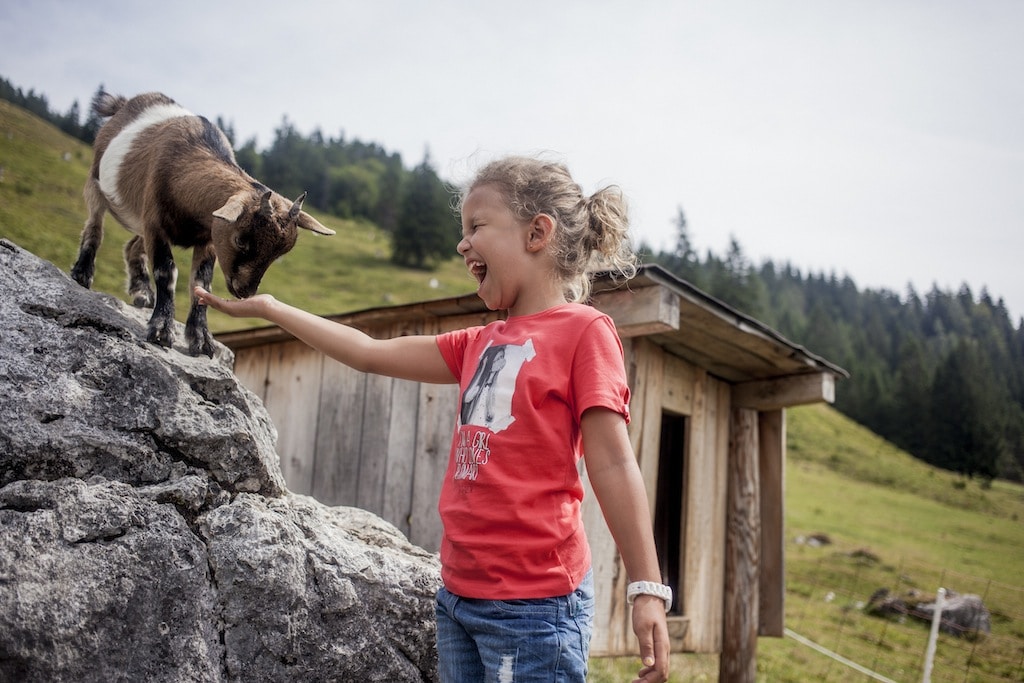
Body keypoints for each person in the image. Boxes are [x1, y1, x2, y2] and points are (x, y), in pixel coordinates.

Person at [196, 155, 671, 683]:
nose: (462, 244)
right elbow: (369, 352)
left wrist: (646, 587)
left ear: (537, 233)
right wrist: (273, 308)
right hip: (458, 598)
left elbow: (612, 463)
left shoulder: (585, 331)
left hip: (536, 609)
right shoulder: (476, 342)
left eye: (476, 227)